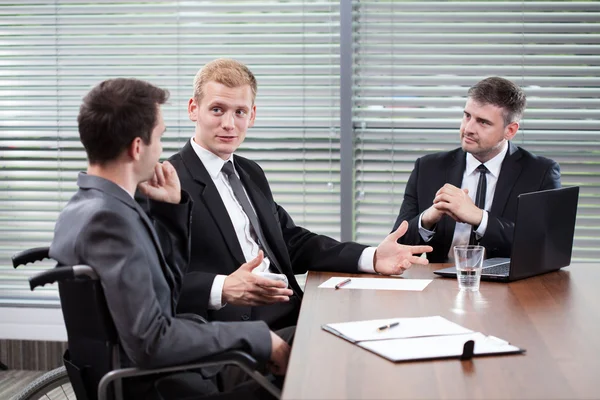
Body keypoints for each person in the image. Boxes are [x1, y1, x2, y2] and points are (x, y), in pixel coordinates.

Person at [49, 78, 290, 399]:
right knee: (312, 357)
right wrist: (261, 338)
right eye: (159, 138)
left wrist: (171, 214)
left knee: (305, 339)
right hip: (163, 384)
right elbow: (153, 340)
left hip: (155, 371)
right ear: (138, 147)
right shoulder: (110, 221)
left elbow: (166, 299)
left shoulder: (86, 206)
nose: (162, 150)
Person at [168, 58, 432, 331]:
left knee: (390, 327)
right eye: (217, 110)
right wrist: (223, 286)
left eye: (239, 112)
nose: (229, 124)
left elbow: (293, 242)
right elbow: (159, 279)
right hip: (236, 329)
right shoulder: (169, 182)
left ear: (253, 115)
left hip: (290, 311)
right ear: (193, 109)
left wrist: (373, 257)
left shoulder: (249, 172)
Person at [392, 76, 561, 263]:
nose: (468, 128)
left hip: (509, 288)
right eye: (467, 116)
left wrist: (480, 218)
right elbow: (395, 248)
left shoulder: (540, 173)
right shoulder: (427, 168)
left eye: (483, 122)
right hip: (440, 286)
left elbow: (543, 247)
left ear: (510, 131)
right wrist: (427, 219)